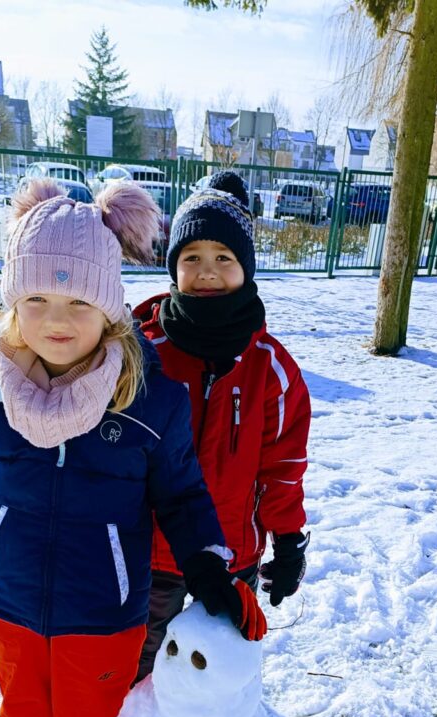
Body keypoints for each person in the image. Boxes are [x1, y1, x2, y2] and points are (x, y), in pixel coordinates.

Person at [0, 178, 266, 717]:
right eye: (36, 299)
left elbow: (182, 495)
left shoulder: (148, 397)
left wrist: (210, 568)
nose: (56, 321)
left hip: (104, 609)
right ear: (11, 301)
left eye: (79, 302)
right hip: (13, 603)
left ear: (110, 306)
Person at [133, 171, 311, 682]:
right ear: (173, 266)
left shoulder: (270, 368)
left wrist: (289, 540)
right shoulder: (144, 355)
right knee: (142, 663)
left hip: (235, 553)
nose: (207, 271)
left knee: (221, 665)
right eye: (192, 257)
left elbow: (283, 466)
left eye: (223, 258)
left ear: (246, 268)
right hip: (154, 551)